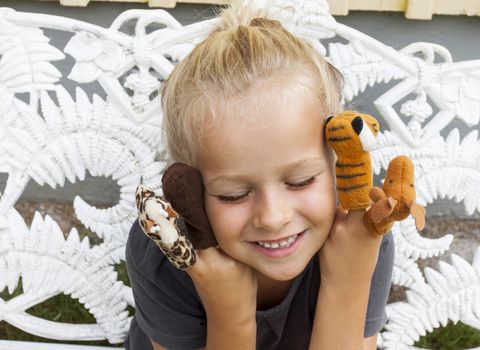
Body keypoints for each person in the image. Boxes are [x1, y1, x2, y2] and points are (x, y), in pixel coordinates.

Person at [125, 2, 394, 349]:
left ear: (337, 162)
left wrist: (347, 280)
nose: (273, 217)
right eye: (233, 194)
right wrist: (230, 312)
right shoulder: (165, 253)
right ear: (188, 193)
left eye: (300, 181)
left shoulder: (361, 235)